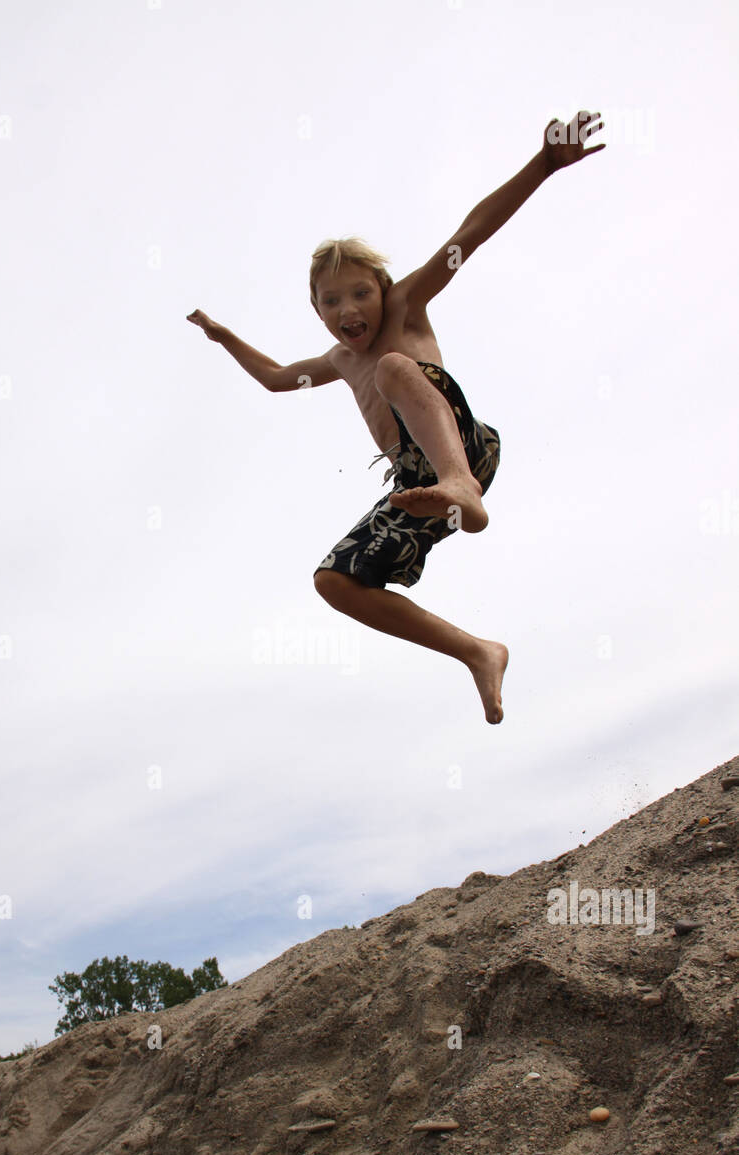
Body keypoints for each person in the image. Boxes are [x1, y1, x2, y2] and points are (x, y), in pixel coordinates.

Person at [188, 112, 605, 723]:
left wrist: (542, 164)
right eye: (331, 302)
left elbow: (472, 233)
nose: (348, 309)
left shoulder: (405, 307)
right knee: (335, 582)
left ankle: (459, 485)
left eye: (360, 292)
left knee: (390, 368)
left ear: (383, 288)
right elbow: (279, 379)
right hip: (420, 489)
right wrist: (226, 338)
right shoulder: (334, 360)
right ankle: (477, 652)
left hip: (462, 448)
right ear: (317, 311)